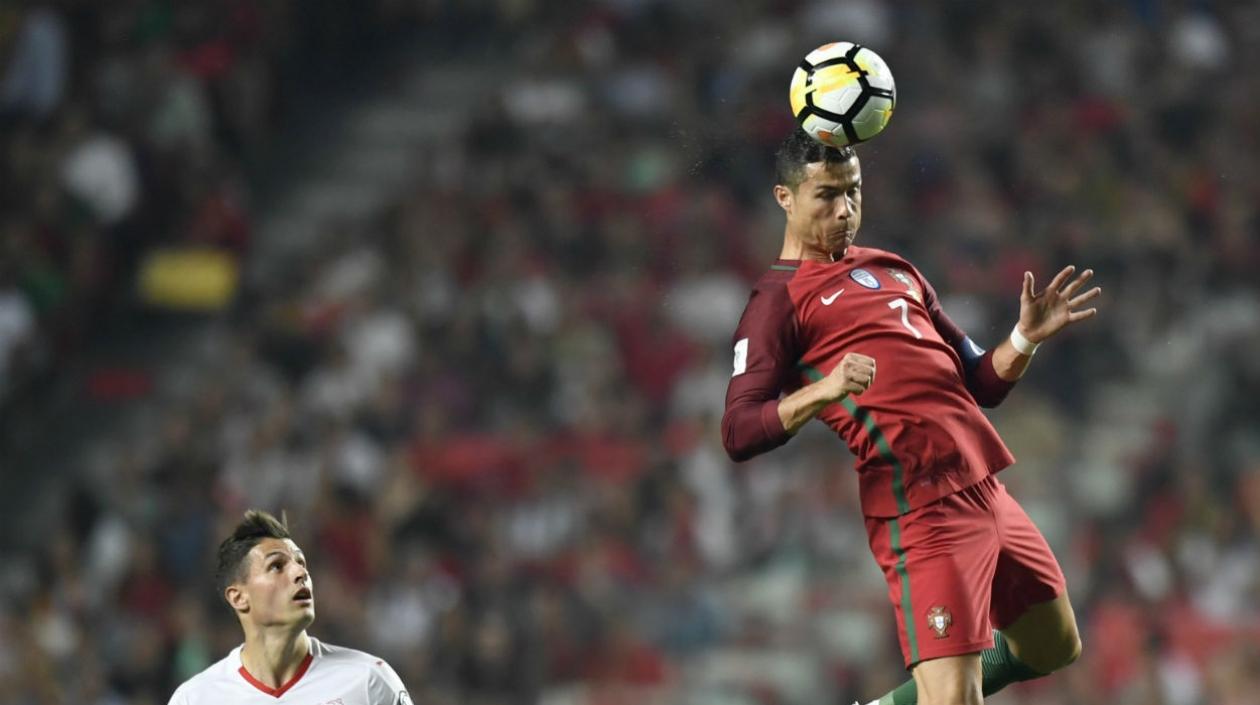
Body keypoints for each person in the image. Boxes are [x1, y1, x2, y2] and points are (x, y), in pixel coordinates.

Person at [721, 129, 1101, 705]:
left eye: (853, 192)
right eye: (825, 195)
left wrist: (1025, 337)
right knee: (954, 700)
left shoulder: (895, 269)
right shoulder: (777, 302)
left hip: (986, 487)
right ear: (784, 197)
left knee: (1054, 646)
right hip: (920, 507)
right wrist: (822, 391)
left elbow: (980, 383)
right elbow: (738, 430)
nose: (844, 210)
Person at [168, 510, 412, 704]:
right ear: (239, 597)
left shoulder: (368, 680)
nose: (300, 572)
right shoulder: (195, 698)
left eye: (301, 562)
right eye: (276, 566)